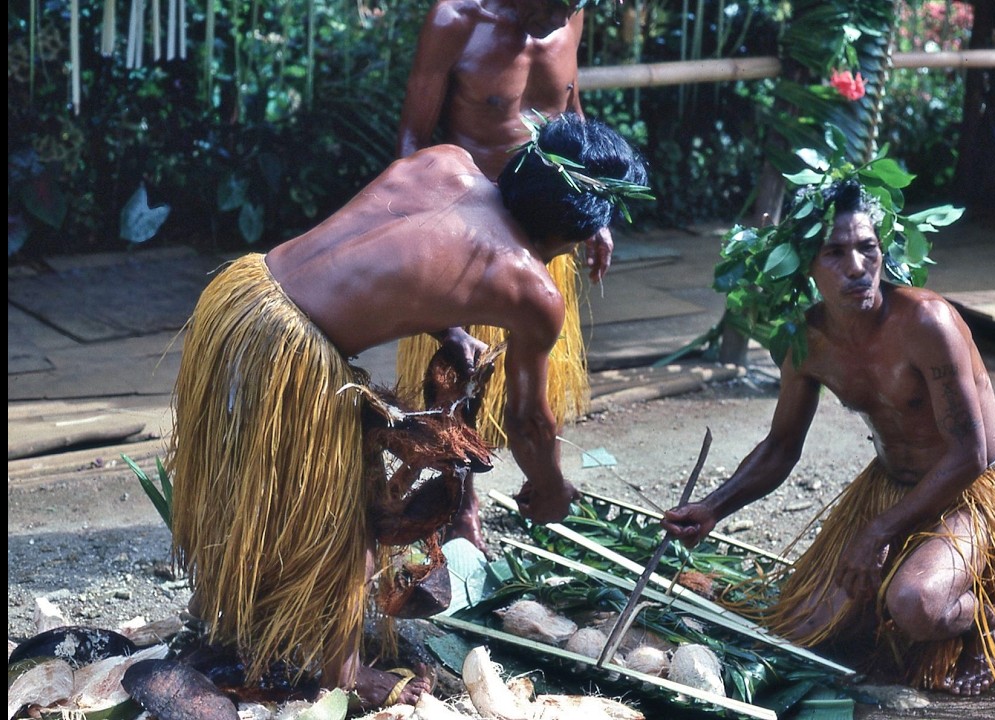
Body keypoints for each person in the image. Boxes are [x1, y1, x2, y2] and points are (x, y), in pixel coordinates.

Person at [166, 113, 648, 711]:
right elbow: (530, 422)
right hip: (295, 351)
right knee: (349, 514)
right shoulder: (534, 291)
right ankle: (338, 672)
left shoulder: (447, 162)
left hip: (243, 296)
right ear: (577, 233)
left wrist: (449, 328)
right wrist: (550, 487)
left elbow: (394, 252)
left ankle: (234, 618)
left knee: (251, 485)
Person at [659, 179, 995, 718]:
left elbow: (970, 454)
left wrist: (879, 531)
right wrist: (711, 507)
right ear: (803, 266)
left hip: (976, 489)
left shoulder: (926, 323)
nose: (858, 266)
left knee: (915, 604)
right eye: (835, 253)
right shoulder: (804, 340)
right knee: (809, 628)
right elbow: (780, 447)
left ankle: (986, 617)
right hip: (891, 485)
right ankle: (908, 592)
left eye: (868, 248)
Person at [394, 0, 618, 556]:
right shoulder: (455, 20)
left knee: (527, 380)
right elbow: (411, 137)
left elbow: (573, 117)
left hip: (543, 230)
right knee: (456, 372)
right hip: (466, 226)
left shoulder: (571, 14)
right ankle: (458, 499)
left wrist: (595, 210)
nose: (565, 14)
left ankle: (532, 484)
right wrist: (419, 235)